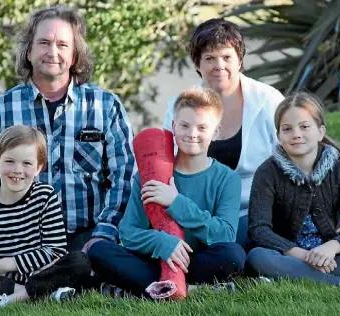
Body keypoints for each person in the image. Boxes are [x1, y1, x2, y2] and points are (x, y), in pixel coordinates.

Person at [0, 5, 135, 254]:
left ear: (75, 55)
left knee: (89, 262)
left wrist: (104, 234)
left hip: (88, 236)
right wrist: (0, 241)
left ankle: (44, 282)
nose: (52, 52)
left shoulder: (106, 106)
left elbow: (124, 179)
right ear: (29, 51)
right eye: (44, 43)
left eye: (62, 45)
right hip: (22, 241)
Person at [88, 87, 246, 298]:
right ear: (173, 127)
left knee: (233, 254)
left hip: (195, 259)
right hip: (154, 258)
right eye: (185, 126)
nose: (192, 134)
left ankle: (154, 286)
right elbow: (128, 233)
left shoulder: (227, 179)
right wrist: (163, 243)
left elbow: (225, 234)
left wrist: (176, 202)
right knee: (99, 251)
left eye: (202, 127)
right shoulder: (149, 173)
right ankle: (181, 286)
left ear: (216, 132)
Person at [245, 91, 340, 286]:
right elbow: (259, 230)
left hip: (330, 253)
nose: (296, 134)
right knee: (258, 257)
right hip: (289, 253)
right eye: (287, 129)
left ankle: (297, 276)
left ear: (320, 131)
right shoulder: (267, 172)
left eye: (305, 126)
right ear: (278, 135)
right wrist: (302, 255)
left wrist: (332, 247)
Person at [162, 18, 285, 250]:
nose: (219, 65)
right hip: (197, 212)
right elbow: (167, 159)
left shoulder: (268, 100)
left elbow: (294, 158)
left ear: (240, 60)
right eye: (209, 58)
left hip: (257, 212)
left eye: (227, 57)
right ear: (197, 63)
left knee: (239, 242)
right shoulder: (179, 104)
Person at [0, 125, 92, 310]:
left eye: (27, 163)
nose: (17, 170)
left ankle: (7, 300)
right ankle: (43, 292)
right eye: (9, 161)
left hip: (44, 272)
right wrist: (10, 270)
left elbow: (55, 251)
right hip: (6, 279)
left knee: (80, 261)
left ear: (39, 168)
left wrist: (10, 263)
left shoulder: (45, 196)